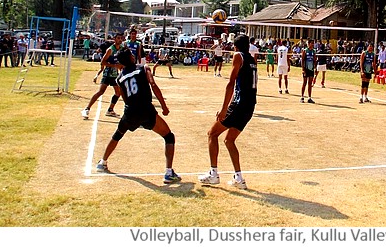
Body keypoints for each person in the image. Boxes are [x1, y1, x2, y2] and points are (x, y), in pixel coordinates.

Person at [95, 48, 181, 184]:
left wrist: (132, 116)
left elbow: (125, 98)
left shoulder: (120, 78)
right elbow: (153, 85)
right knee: (168, 136)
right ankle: (169, 173)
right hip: (146, 110)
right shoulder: (143, 68)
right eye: (131, 54)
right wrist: (164, 106)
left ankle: (102, 162)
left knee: (117, 134)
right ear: (130, 58)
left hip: (130, 111)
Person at [198, 34, 258, 190]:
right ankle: (239, 178)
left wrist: (224, 109)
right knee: (229, 140)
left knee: (212, 133)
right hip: (250, 106)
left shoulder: (238, 56)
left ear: (236, 47)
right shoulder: (252, 60)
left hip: (239, 104)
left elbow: (231, 83)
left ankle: (213, 174)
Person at [82, 34, 125, 119]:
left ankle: (110, 109)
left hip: (115, 75)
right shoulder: (110, 50)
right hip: (108, 74)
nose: (120, 40)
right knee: (101, 92)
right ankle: (87, 109)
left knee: (118, 92)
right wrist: (114, 66)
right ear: (114, 39)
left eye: (121, 38)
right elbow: (103, 62)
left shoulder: (120, 50)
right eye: (118, 38)